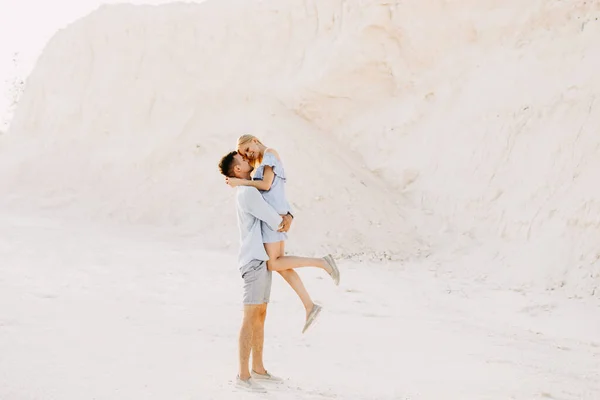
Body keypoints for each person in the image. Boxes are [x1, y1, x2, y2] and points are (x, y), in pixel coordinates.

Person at [226, 134, 340, 332]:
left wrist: (240, 182)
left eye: (247, 149)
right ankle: (309, 306)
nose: (248, 154)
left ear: (254, 140)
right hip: (275, 217)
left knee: (273, 263)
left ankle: (322, 263)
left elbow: (267, 186)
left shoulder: (269, 154)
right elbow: (276, 192)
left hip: (273, 222)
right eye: (245, 154)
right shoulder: (263, 161)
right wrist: (289, 213)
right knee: (281, 264)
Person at [218, 151, 290, 393]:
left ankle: (258, 368)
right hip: (253, 260)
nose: (248, 162)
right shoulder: (247, 192)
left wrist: (287, 216)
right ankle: (243, 374)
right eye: (243, 161)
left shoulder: (248, 189)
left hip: (260, 258)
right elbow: (272, 218)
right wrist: (285, 218)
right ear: (237, 170)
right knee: (250, 317)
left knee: (260, 314)